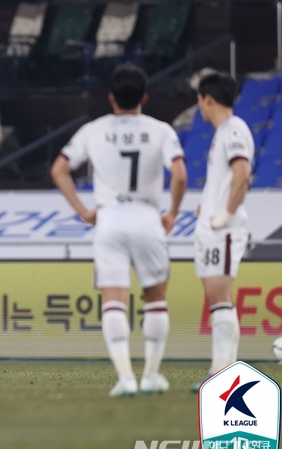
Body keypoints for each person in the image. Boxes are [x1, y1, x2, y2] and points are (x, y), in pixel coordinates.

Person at [51, 64, 188, 397]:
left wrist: (84, 211)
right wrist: (171, 212)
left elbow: (59, 169)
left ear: (111, 97)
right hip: (147, 219)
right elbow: (180, 175)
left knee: (114, 301)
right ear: (144, 97)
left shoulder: (93, 130)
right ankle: (152, 374)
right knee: (155, 300)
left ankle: (125, 377)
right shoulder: (161, 130)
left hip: (109, 221)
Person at [190, 73, 254, 393]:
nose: (199, 106)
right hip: (213, 227)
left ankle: (222, 374)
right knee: (217, 298)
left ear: (208, 99)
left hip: (225, 230)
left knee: (219, 296)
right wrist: (209, 204)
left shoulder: (234, 129)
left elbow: (243, 174)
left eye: (199, 99)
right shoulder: (223, 133)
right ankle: (223, 372)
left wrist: (226, 212)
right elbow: (229, 178)